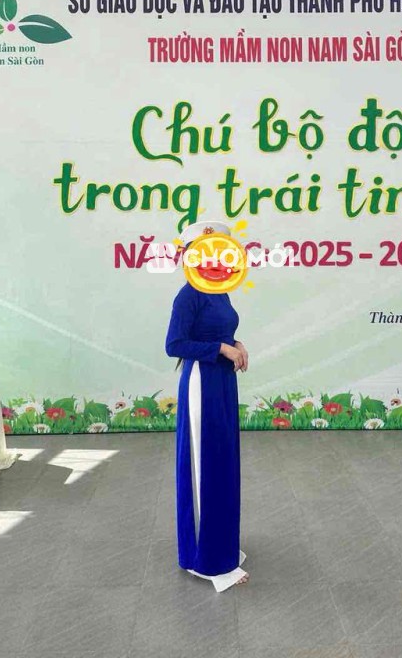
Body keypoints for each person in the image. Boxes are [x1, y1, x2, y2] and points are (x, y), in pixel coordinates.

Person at [165, 220, 249, 592]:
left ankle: (223, 546)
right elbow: (175, 344)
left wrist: (236, 344)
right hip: (201, 382)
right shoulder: (188, 295)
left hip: (223, 382)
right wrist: (220, 349)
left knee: (223, 461)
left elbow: (220, 332)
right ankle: (207, 560)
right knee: (206, 464)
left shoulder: (220, 290)